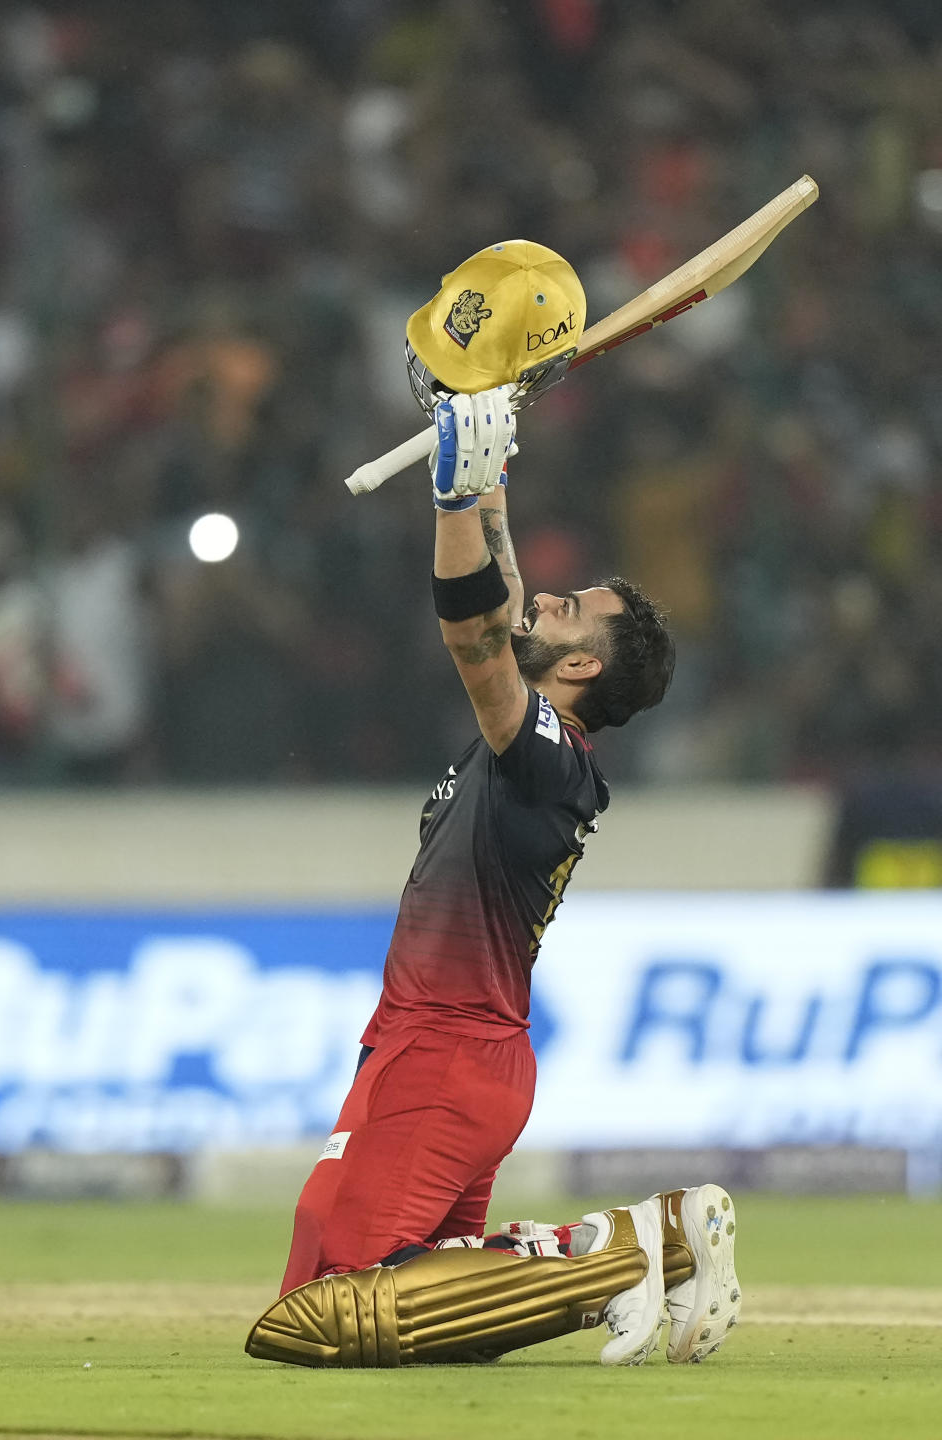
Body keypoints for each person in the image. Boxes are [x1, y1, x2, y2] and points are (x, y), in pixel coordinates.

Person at [246, 244, 740, 1369]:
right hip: (427, 1048)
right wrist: (493, 467)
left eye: (574, 614)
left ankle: (619, 1249)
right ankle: (619, 1248)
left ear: (580, 676)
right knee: (400, 1310)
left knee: (324, 1319)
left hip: (448, 1058)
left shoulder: (550, 756)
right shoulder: (545, 744)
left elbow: (475, 633)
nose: (549, 603)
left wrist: (459, 490)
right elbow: (506, 605)